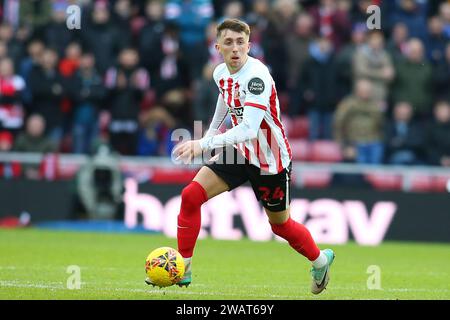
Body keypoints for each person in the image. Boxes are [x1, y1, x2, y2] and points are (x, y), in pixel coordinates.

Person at [146, 19, 335, 294]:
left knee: (280, 226)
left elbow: (248, 129)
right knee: (190, 196)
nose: (235, 48)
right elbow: (225, 101)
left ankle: (320, 261)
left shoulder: (257, 76)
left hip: (270, 161)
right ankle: (183, 268)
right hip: (239, 153)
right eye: (229, 43)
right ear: (218, 47)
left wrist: (203, 143)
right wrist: (210, 138)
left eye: (240, 42)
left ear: (249, 45)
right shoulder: (220, 72)